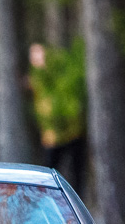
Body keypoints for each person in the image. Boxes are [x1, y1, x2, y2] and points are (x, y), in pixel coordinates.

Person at [27, 42, 87, 194]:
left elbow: (66, 101)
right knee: (49, 174)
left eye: (39, 54)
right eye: (34, 56)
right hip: (52, 136)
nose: (38, 59)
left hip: (72, 131)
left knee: (77, 175)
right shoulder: (37, 78)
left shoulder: (56, 72)